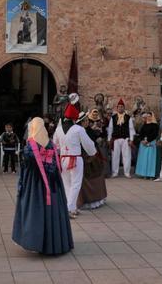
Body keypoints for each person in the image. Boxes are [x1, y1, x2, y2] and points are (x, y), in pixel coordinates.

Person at [12, 117, 73, 255]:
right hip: (53, 184)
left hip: (34, 185)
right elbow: (54, 165)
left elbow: (26, 167)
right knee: (53, 211)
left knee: (36, 211)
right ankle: (55, 243)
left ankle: (36, 241)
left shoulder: (30, 147)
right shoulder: (51, 144)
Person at [53, 103, 97, 218]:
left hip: (63, 159)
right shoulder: (78, 129)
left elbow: (55, 145)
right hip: (76, 159)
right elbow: (88, 144)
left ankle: (71, 207)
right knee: (76, 184)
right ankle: (70, 208)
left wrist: (60, 152)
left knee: (67, 184)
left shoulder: (58, 129)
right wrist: (93, 152)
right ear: (74, 118)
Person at [79, 110, 108, 210]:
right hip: (85, 156)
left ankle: (97, 198)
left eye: (87, 120)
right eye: (85, 121)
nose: (87, 122)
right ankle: (87, 200)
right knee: (86, 178)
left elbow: (94, 140)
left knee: (96, 176)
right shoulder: (80, 131)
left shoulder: (89, 130)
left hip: (93, 156)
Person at [107, 98, 134, 178]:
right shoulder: (113, 117)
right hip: (116, 139)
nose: (120, 108)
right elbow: (110, 128)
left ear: (124, 108)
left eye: (122, 107)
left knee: (127, 156)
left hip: (125, 139)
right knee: (115, 156)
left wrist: (131, 139)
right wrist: (109, 139)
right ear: (117, 108)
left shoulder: (128, 117)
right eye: (119, 107)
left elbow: (131, 128)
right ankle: (115, 172)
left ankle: (127, 172)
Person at [134, 112, 158, 179]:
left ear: (152, 116)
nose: (148, 117)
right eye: (147, 116)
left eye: (150, 116)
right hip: (143, 144)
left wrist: (148, 141)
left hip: (151, 143)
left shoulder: (155, 125)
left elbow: (155, 134)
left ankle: (150, 174)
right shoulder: (144, 125)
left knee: (150, 159)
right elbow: (140, 134)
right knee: (143, 159)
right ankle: (143, 174)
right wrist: (142, 140)